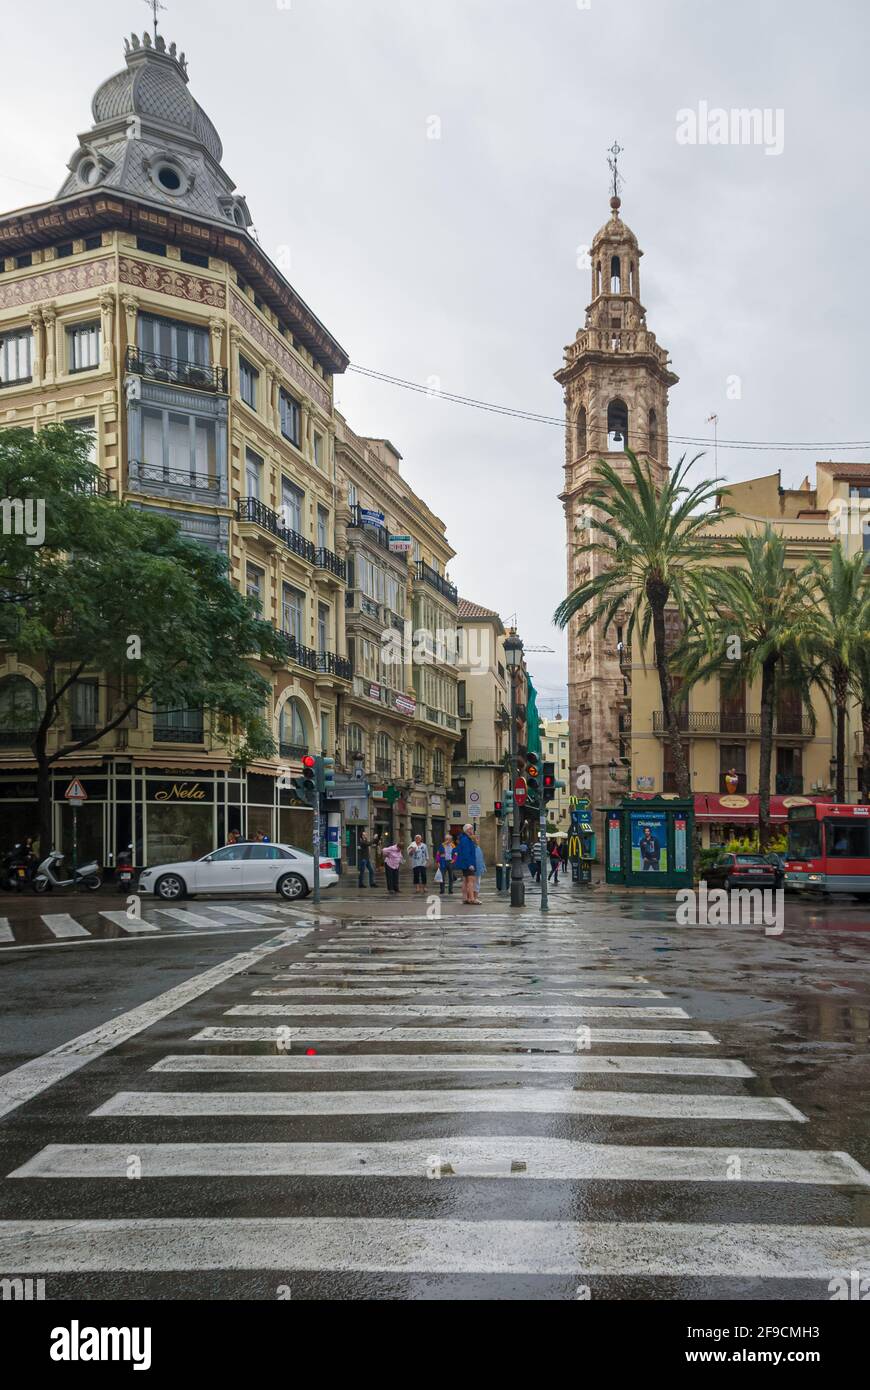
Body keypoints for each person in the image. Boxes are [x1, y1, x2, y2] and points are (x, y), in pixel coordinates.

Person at [455, 823, 479, 904]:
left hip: (465, 863)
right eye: (471, 829)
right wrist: (470, 864)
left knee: (465, 880)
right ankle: (471, 898)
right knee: (471, 880)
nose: (472, 831)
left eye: (472, 829)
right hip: (468, 863)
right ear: (467, 830)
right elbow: (466, 853)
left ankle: (465, 898)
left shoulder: (465, 838)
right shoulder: (466, 839)